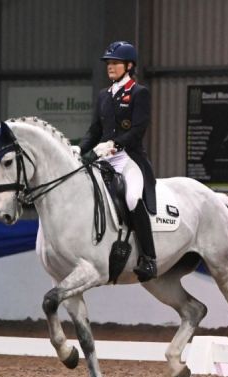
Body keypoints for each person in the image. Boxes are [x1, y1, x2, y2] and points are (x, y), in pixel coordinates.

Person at [77, 40, 157, 282]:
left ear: (129, 66)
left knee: (132, 198)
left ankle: (149, 258)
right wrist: (79, 148)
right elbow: (95, 130)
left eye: (115, 63)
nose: (110, 67)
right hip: (104, 158)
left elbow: (138, 129)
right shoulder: (104, 95)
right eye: (108, 63)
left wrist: (114, 144)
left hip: (128, 158)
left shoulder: (139, 92)